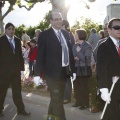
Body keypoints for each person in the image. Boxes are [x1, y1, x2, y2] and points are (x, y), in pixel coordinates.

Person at [34, 12, 76, 120]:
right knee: (58, 101)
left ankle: (50, 117)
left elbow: (69, 53)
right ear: (51, 21)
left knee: (56, 98)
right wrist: (37, 74)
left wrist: (73, 69)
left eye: (60, 19)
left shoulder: (66, 34)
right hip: (51, 74)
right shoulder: (44, 35)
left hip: (64, 72)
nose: (59, 21)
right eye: (56, 19)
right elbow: (40, 55)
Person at [0, 23, 30, 117]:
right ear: (5, 30)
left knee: (17, 92)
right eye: (9, 29)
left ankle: (21, 110)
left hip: (16, 72)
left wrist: (22, 69)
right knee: (2, 92)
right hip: (4, 72)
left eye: (13, 29)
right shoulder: (1, 40)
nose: (11, 31)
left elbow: (20, 56)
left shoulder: (17, 40)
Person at [96, 18, 120, 120]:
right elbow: (101, 69)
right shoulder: (104, 46)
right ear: (109, 30)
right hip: (112, 88)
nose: (119, 30)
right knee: (111, 115)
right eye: (116, 27)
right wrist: (103, 89)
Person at [72, 29, 92, 110]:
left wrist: (79, 53)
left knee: (84, 87)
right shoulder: (74, 45)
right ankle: (78, 102)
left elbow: (87, 59)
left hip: (84, 69)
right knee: (76, 86)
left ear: (80, 35)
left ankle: (85, 104)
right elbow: (73, 56)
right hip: (76, 68)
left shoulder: (87, 46)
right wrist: (75, 57)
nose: (74, 36)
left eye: (76, 34)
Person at [61, 20, 75, 104]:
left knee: (67, 80)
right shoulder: (62, 34)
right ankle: (64, 96)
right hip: (61, 61)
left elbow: (71, 49)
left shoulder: (69, 35)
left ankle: (67, 97)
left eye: (61, 25)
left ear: (64, 26)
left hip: (68, 62)